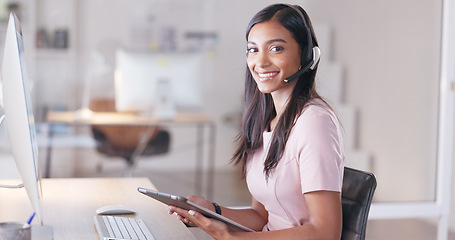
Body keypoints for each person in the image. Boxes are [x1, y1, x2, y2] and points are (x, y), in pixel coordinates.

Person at [169, 3, 345, 239]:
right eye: (253, 50)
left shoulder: (314, 122)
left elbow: (326, 232)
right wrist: (212, 211)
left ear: (305, 55)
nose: (260, 62)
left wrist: (233, 238)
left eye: (275, 48)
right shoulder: (266, 122)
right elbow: (261, 217)